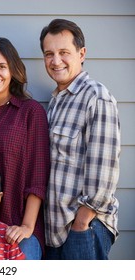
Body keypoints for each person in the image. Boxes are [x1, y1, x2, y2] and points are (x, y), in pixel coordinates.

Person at [40, 19, 121, 259]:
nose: (56, 61)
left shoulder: (96, 97)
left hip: (83, 228)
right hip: (56, 231)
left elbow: (104, 169)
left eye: (64, 52)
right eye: (49, 54)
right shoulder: (56, 100)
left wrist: (82, 223)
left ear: (81, 53)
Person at [0, 37, 50, 259]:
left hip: (19, 230)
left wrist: (27, 226)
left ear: (13, 70)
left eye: (2, 67)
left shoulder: (30, 112)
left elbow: (38, 174)